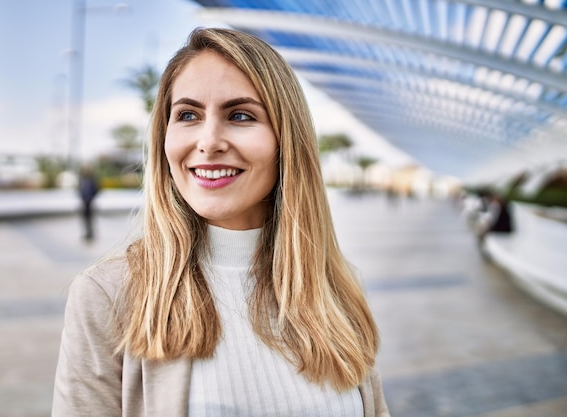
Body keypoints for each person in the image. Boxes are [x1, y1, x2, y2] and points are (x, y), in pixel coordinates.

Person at [52, 27, 390, 417]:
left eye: (241, 115)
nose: (209, 141)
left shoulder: (336, 288)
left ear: (287, 141)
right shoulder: (107, 297)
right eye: (188, 115)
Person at [78, 165, 100, 241]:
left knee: (91, 219)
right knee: (85, 219)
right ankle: (87, 233)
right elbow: (80, 190)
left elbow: (96, 189)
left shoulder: (92, 180)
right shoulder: (82, 180)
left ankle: (91, 233)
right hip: (84, 203)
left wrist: (91, 198)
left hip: (90, 203)